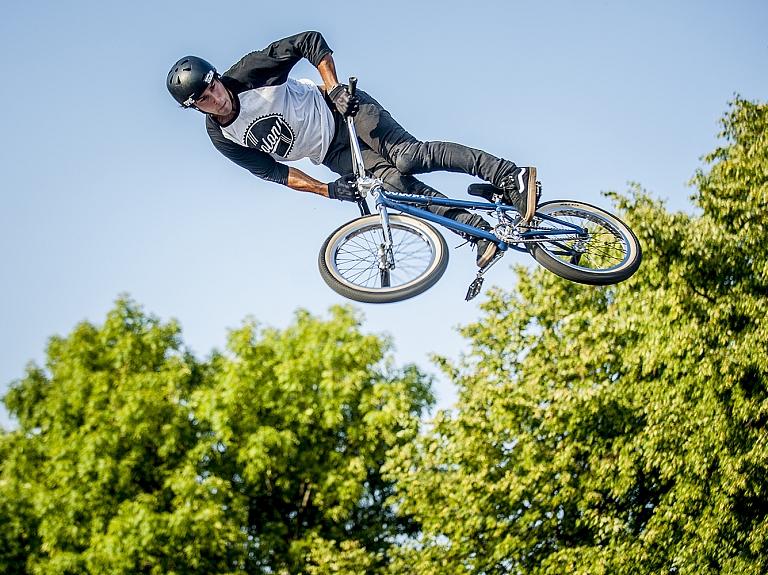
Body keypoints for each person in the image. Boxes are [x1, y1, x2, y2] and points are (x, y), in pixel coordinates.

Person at [166, 31, 538, 267]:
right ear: (194, 107)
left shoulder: (248, 73)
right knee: (398, 188)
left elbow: (308, 41)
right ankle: (477, 231)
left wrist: (335, 88)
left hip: (344, 112)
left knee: (408, 157)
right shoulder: (220, 137)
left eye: (212, 86)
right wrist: (326, 190)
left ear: (217, 77)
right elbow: (275, 172)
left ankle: (509, 174)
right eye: (203, 99)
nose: (215, 98)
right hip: (331, 153)